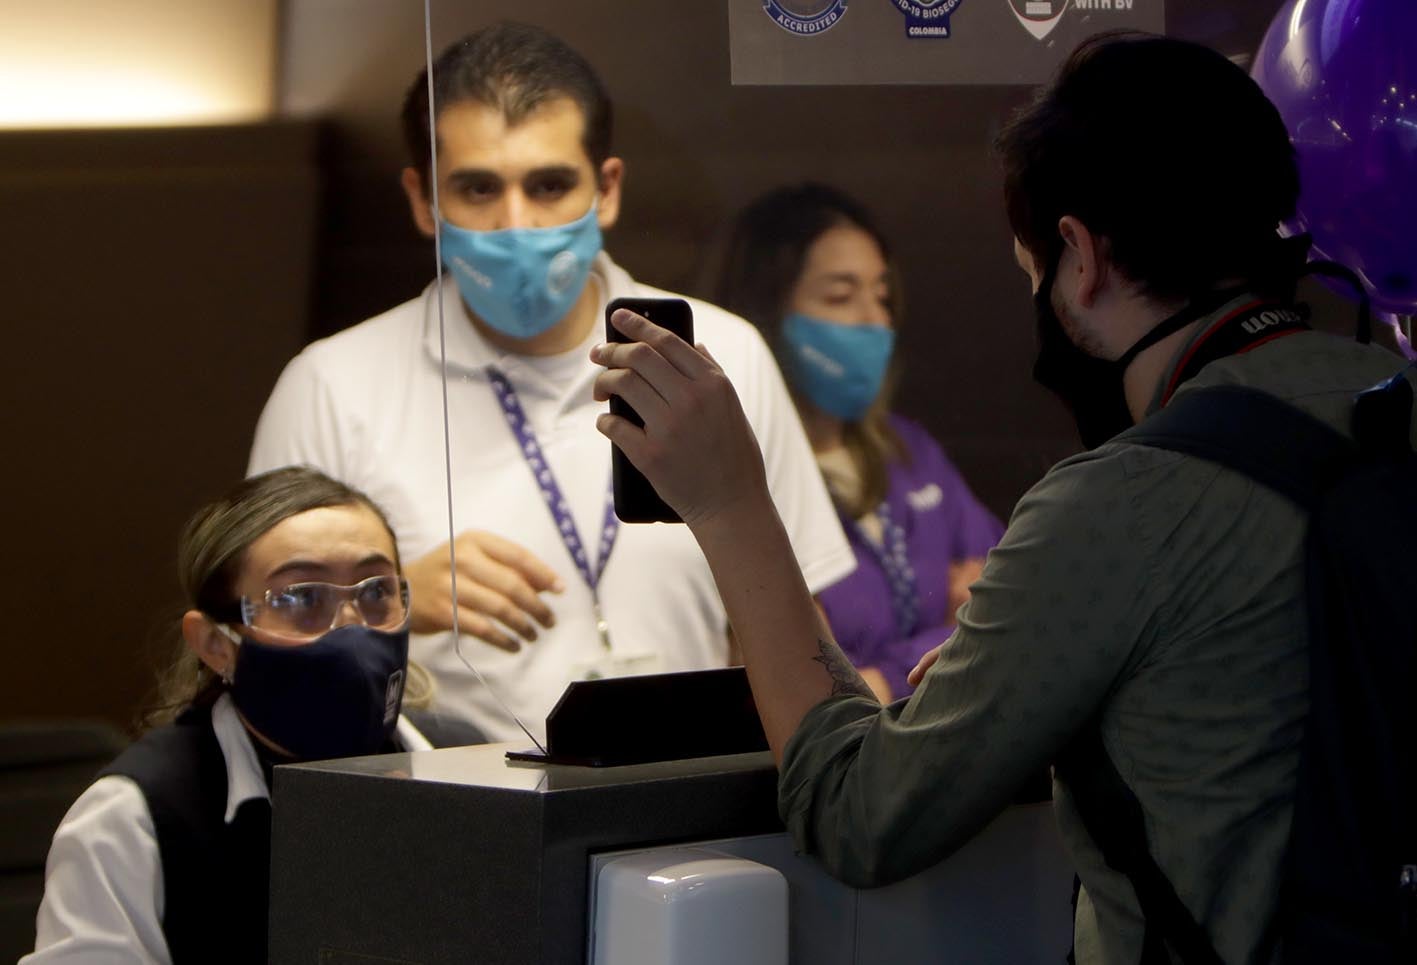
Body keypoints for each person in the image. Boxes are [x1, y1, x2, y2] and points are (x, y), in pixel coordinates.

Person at [590, 32, 1417, 964]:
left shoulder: (1121, 501)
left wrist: (730, 504)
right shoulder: (1394, 407)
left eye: (1029, 269)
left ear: (1076, 254)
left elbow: (859, 812)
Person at [247, 22, 853, 742]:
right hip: (449, 812)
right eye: (477, 188)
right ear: (421, 200)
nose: (516, 225)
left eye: (549, 184)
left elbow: (798, 624)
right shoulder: (330, 385)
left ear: (607, 188)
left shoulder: (722, 356)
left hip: (695, 802)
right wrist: (391, 598)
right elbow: (264, 657)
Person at [25, 467, 434, 964]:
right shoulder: (136, 819)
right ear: (217, 645)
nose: (350, 627)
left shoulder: (470, 765)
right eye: (302, 597)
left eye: (375, 592)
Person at [718, 183, 1002, 702]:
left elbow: (1013, 606)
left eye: (882, 295)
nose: (876, 321)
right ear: (767, 315)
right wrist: (954, 641)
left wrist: (882, 679)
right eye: (841, 296)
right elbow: (804, 691)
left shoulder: (909, 451)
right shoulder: (740, 480)